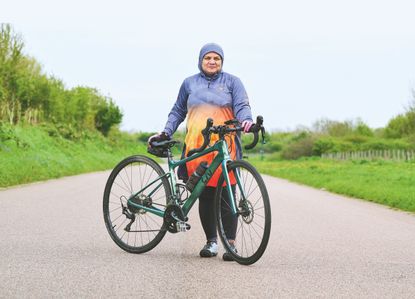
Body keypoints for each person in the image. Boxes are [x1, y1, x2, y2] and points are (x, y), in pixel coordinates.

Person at [148, 43, 253, 261]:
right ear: (200, 60)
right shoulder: (189, 83)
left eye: (217, 58)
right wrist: (166, 131)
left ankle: (230, 244)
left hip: (225, 146)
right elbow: (177, 110)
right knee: (205, 195)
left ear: (222, 61)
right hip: (197, 147)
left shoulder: (233, 82)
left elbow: (242, 105)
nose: (212, 61)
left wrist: (247, 121)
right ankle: (211, 242)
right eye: (208, 58)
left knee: (227, 194)